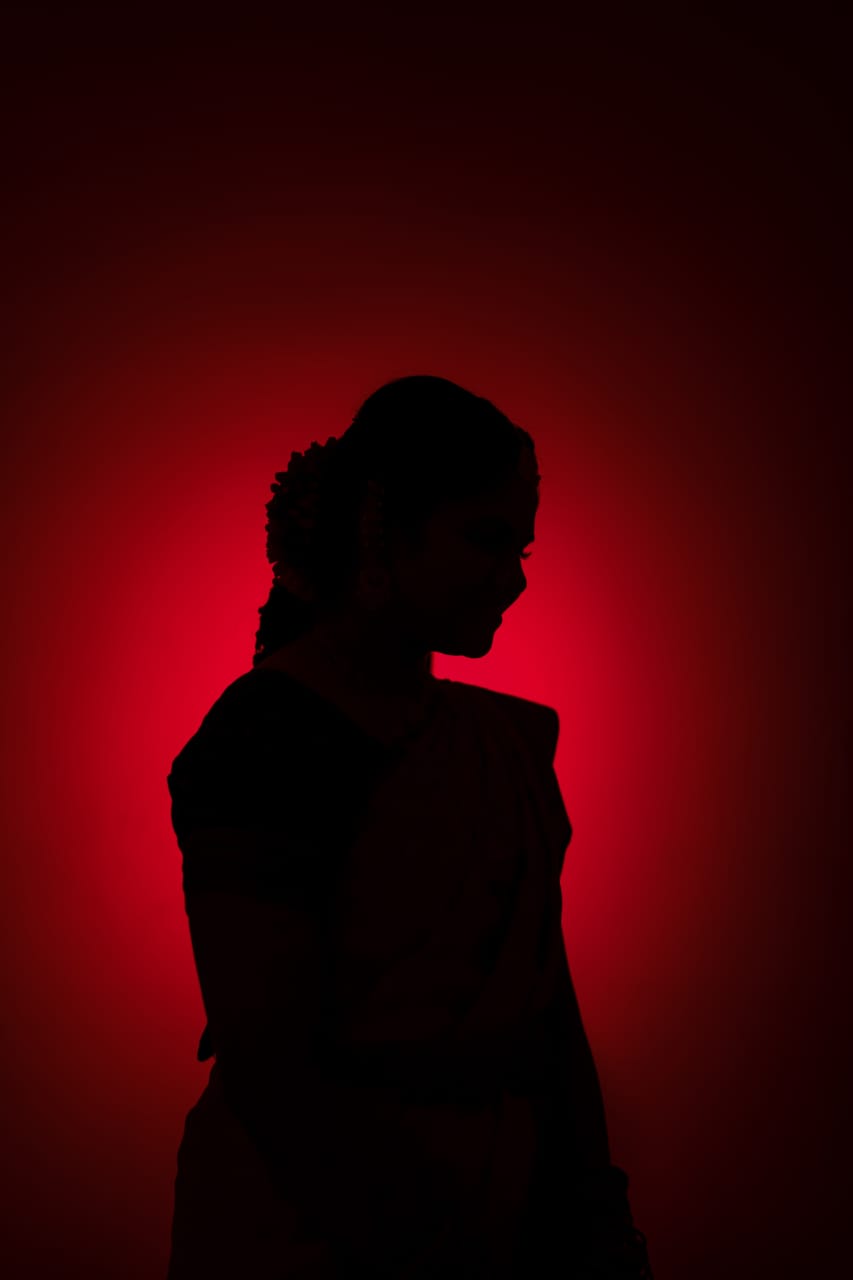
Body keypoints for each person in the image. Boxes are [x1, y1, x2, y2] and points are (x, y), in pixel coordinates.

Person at [165, 375, 654, 1277]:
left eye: (521, 547)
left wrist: (593, 1208)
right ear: (379, 530)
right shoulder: (264, 741)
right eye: (485, 538)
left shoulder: (504, 742)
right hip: (305, 1229)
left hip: (502, 1204)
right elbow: (273, 1071)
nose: (515, 577)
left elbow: (546, 1007)